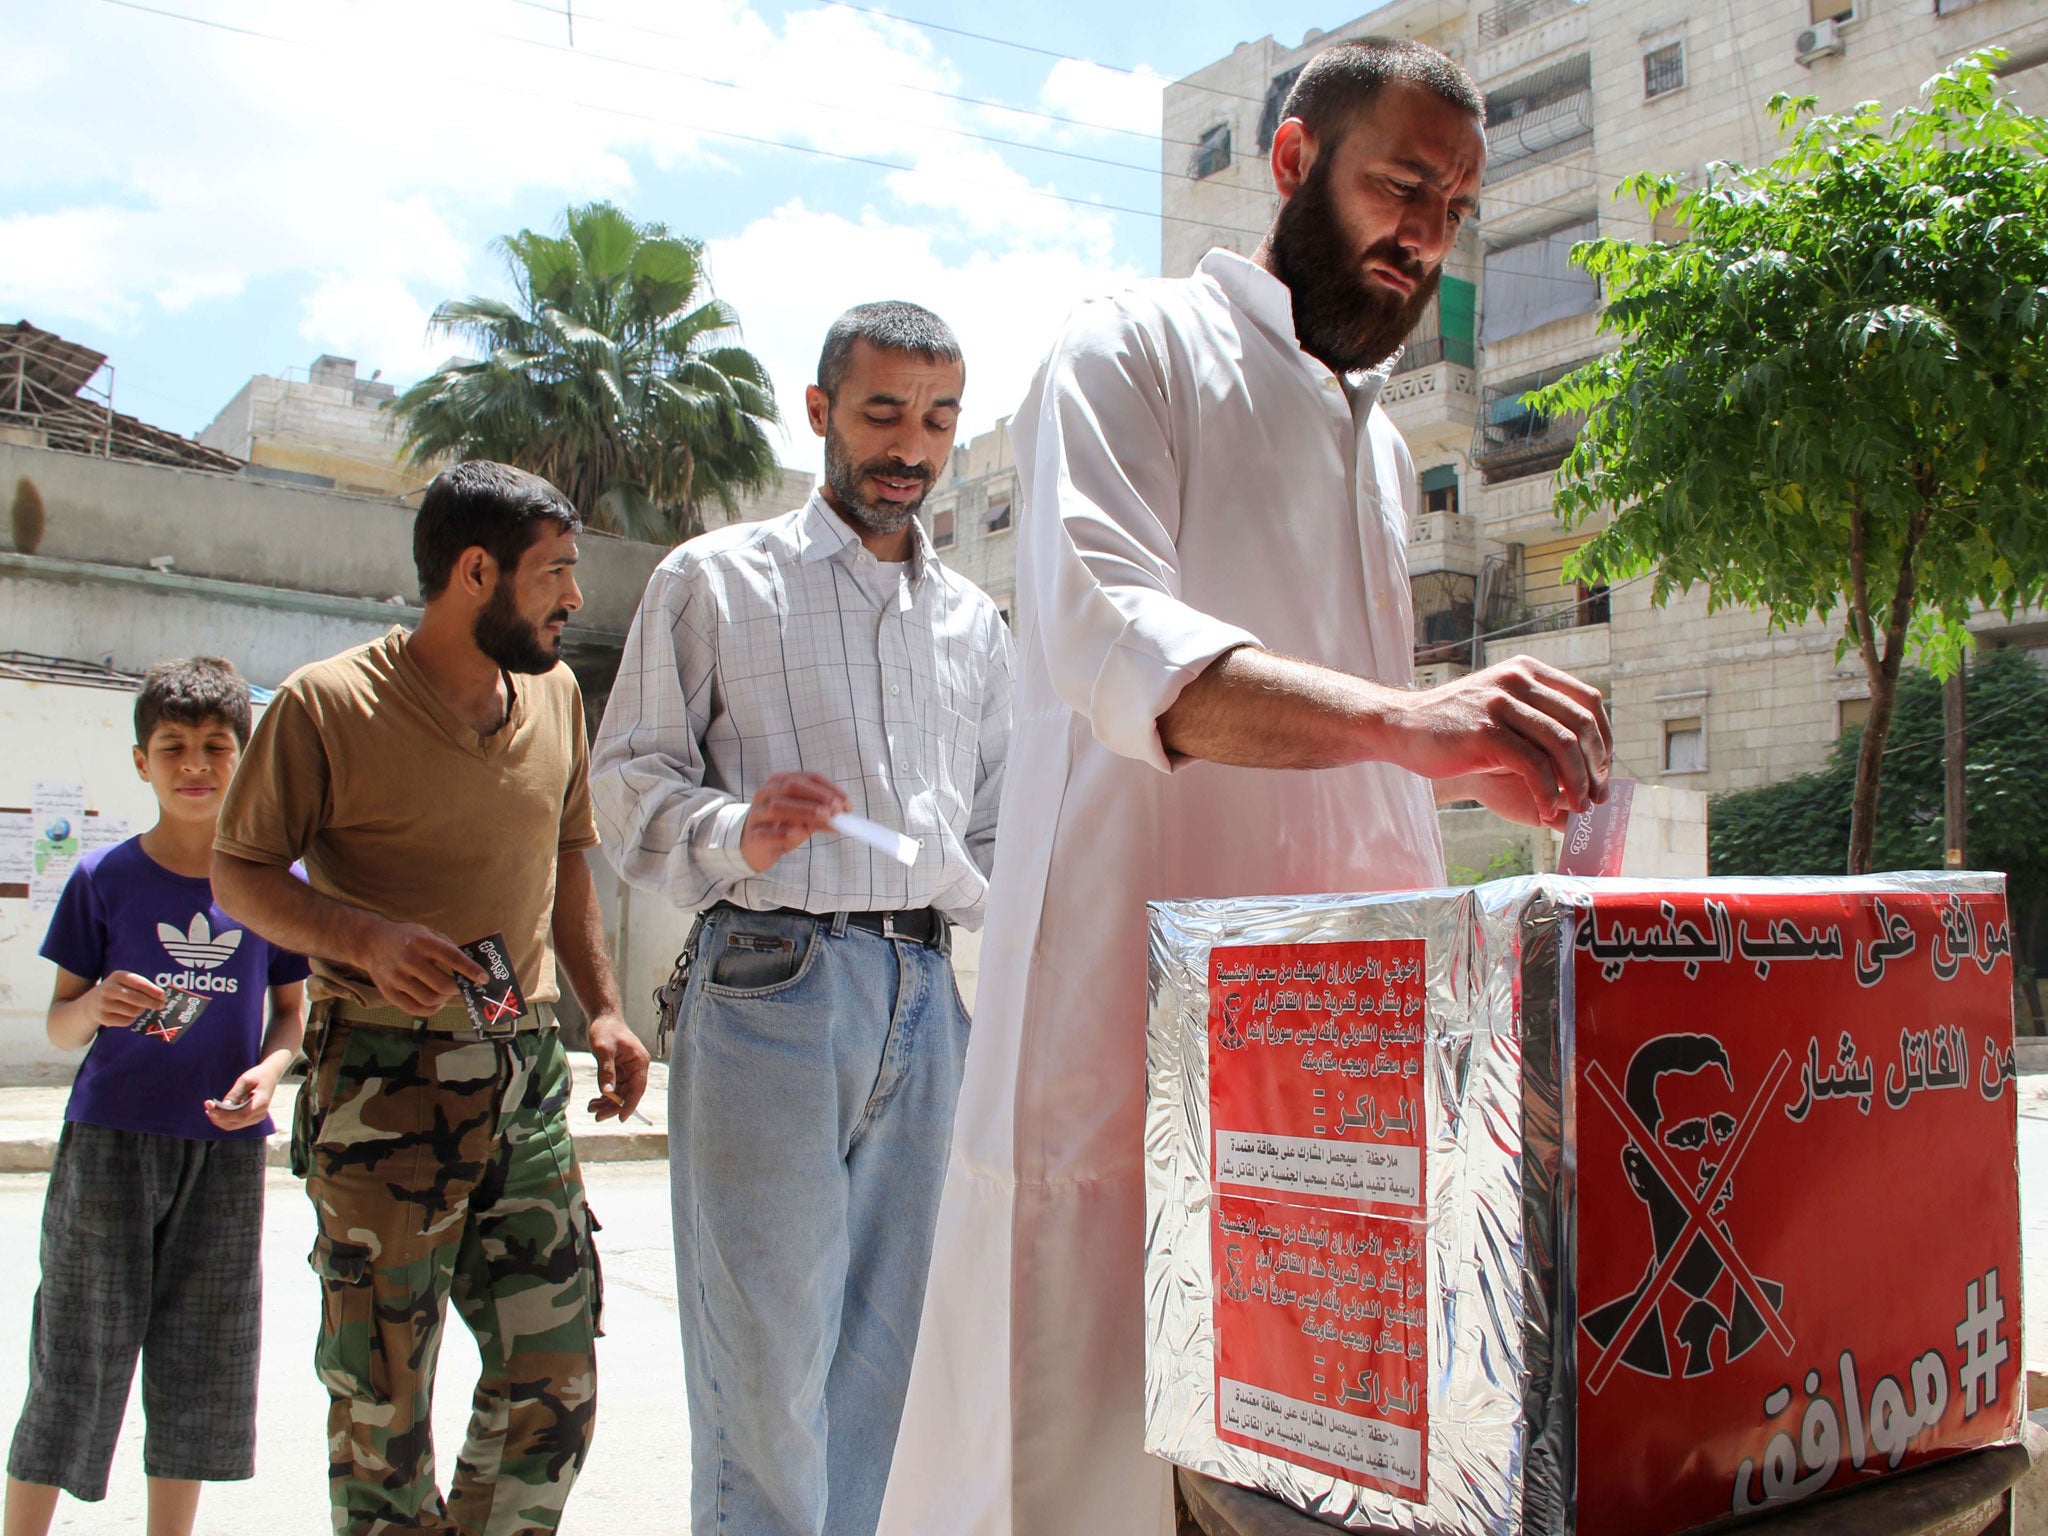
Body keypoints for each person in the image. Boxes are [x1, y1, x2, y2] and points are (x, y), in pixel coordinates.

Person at [877, 39, 1613, 1536]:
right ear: (1291, 165)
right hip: (1119, 1023)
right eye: (1401, 186)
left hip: (1333, 1057)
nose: (1427, 234)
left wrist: (1461, 808)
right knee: (1077, 1463)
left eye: (1456, 207)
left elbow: (1377, 771)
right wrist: (1418, 721)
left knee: (1305, 1467)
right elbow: (1113, 643)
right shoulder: (1128, 350)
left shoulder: (1385, 439)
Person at [590, 301, 1013, 1536]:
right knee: (765, 1381)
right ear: (819, 411)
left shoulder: (975, 626)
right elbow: (625, 785)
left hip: (930, 1003)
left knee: (886, 1375)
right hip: (771, 984)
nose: (910, 448)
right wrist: (738, 832)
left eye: (936, 420)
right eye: (881, 413)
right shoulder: (712, 582)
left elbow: (992, 837)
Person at [210, 460, 650, 1536]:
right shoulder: (328, 705)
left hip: (515, 1058)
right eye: (554, 573)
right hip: (383, 1084)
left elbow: (565, 856)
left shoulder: (552, 696)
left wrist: (599, 1007)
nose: (573, 599)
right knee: (382, 1404)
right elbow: (240, 873)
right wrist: (355, 933)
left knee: (553, 1379)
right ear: (472, 571)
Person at [4, 657, 309, 1536]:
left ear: (244, 760)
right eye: (172, 747)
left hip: (223, 1150)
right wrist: (96, 1005)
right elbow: (61, 1028)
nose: (195, 765)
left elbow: (288, 1017)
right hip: (108, 1144)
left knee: (202, 1361)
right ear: (141, 762)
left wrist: (272, 1070)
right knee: (76, 1355)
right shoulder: (103, 879)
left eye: (217, 746)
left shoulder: (271, 887)